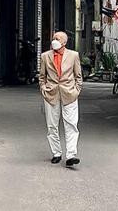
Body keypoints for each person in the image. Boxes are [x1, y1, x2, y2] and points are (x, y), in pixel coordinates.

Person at [38, 31, 83, 167]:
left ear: (64, 42)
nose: (54, 41)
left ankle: (71, 155)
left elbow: (78, 76)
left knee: (71, 125)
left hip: (69, 95)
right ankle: (56, 153)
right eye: (53, 38)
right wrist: (44, 89)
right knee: (52, 126)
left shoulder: (73, 55)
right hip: (51, 95)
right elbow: (42, 77)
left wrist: (76, 91)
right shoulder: (45, 56)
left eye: (57, 39)